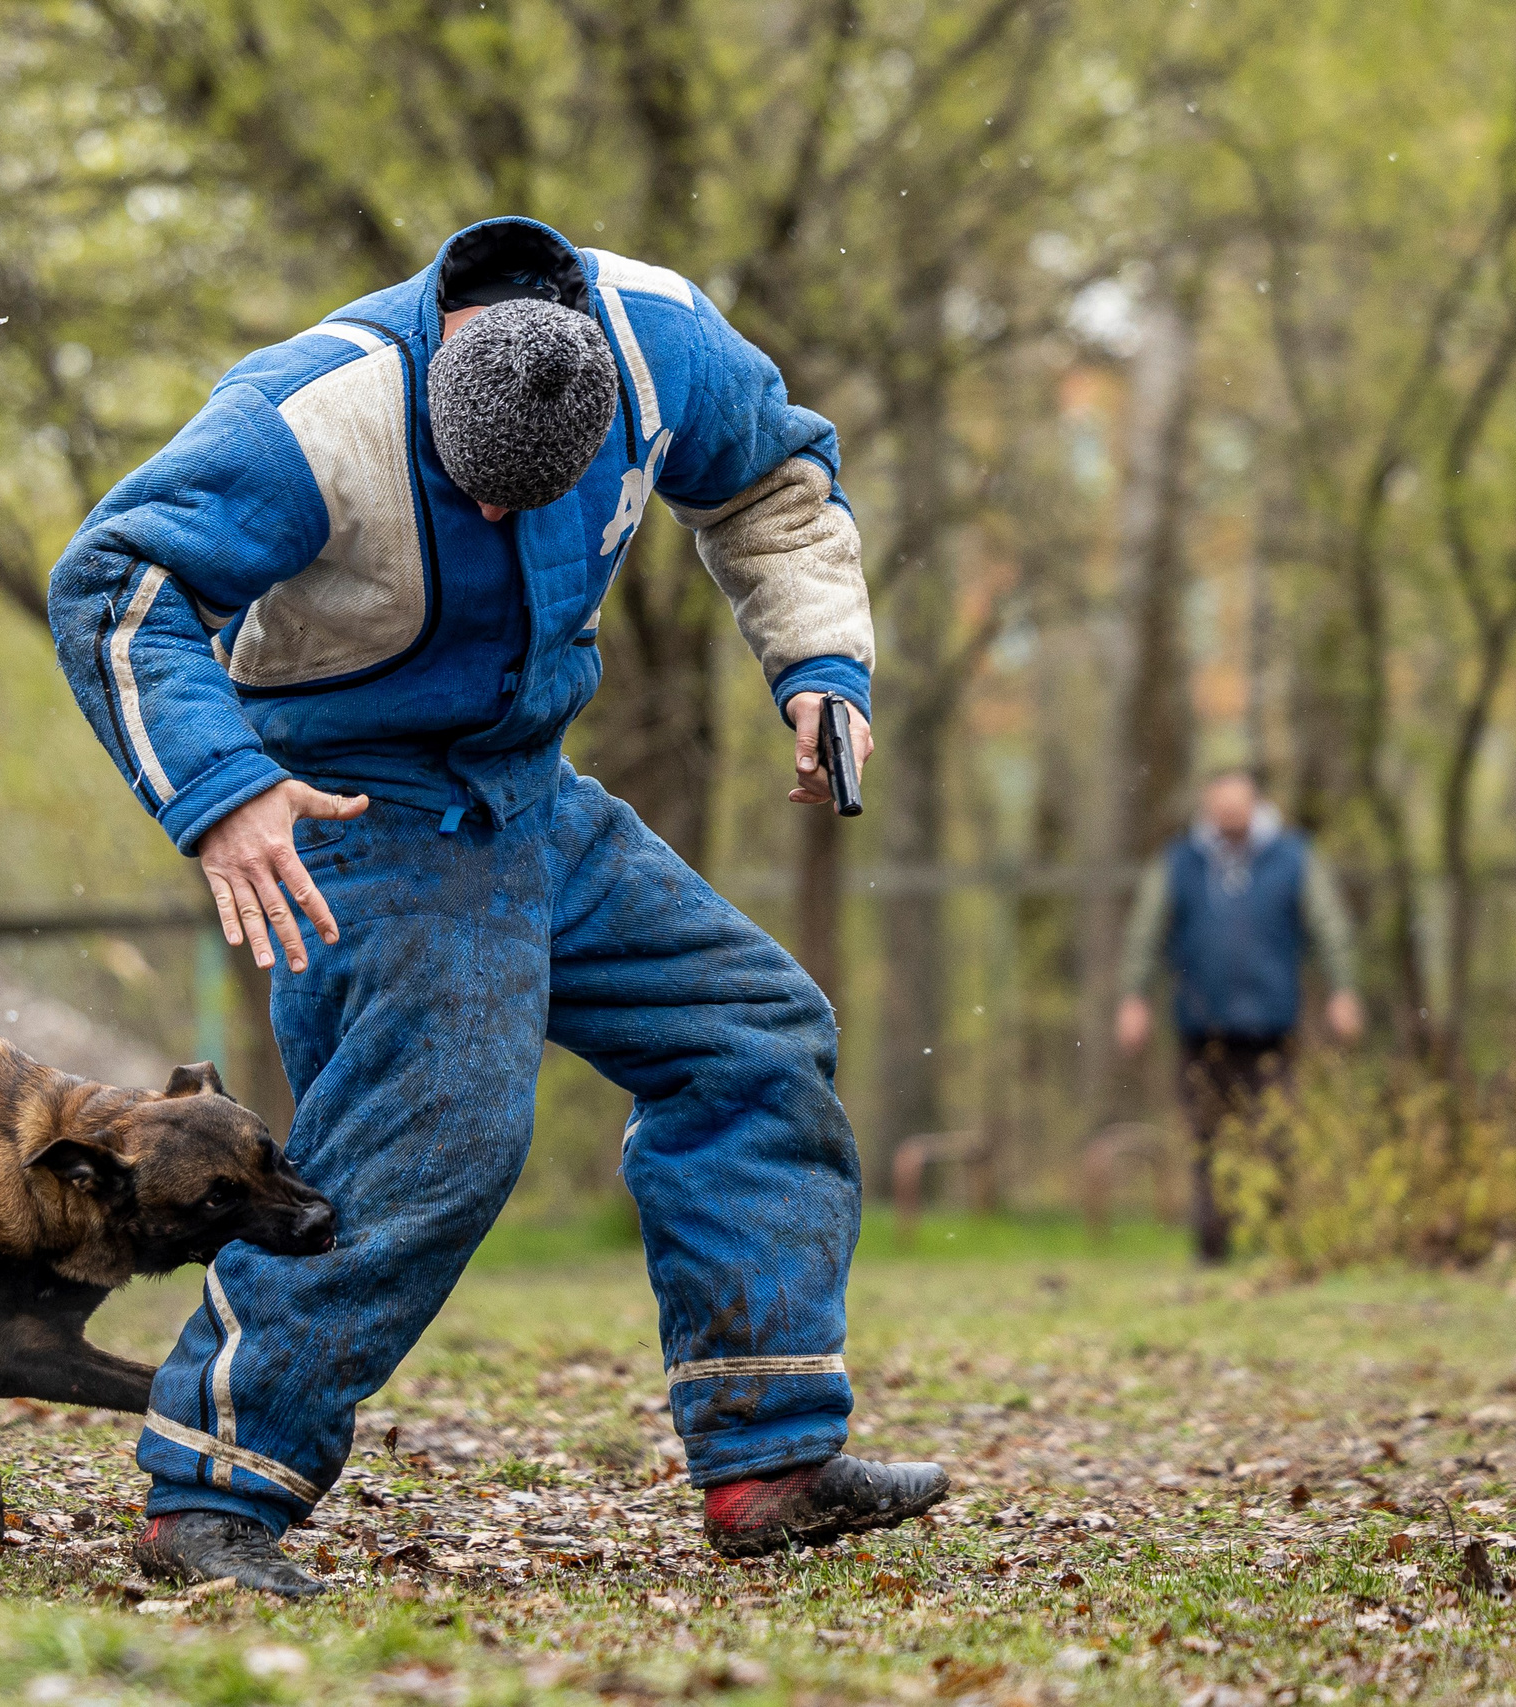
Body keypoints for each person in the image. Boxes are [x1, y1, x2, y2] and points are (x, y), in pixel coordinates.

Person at [47, 217, 946, 1596]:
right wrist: (223, 789)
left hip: (531, 792)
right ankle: (212, 1488)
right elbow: (117, 588)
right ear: (434, 389)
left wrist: (819, 657)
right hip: (353, 806)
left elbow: (772, 482)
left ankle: (770, 1458)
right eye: (473, 496)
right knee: (443, 1133)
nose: (495, 525)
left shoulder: (663, 346)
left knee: (754, 1033)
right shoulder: (311, 414)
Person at [1114, 768, 1363, 1262]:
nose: (1229, 815)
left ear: (1256, 806)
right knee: (1206, 1138)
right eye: (1220, 807)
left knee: (1278, 1135)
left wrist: (1343, 990)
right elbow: (1146, 931)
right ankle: (1212, 1246)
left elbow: (1330, 925)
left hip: (1273, 1024)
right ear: (1207, 808)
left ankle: (1277, 1243)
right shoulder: (1180, 863)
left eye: (1238, 806)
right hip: (1200, 1022)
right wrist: (1133, 997)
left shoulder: (1293, 858)